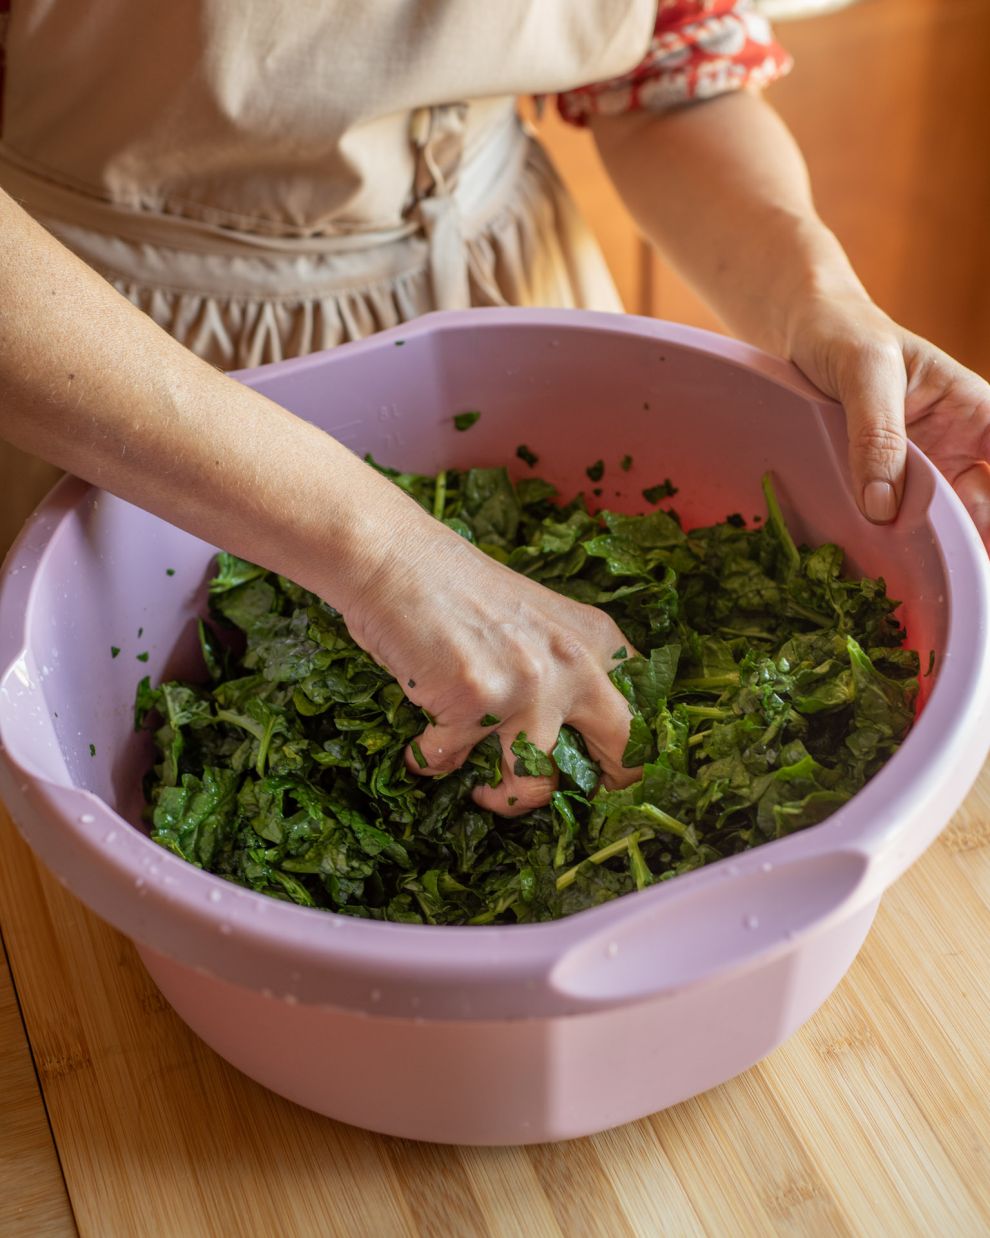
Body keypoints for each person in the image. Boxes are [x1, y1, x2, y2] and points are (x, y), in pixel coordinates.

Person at [1, 0, 988, 818]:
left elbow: (663, 70)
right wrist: (390, 556)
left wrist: (816, 297)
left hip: (510, 289)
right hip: (116, 361)